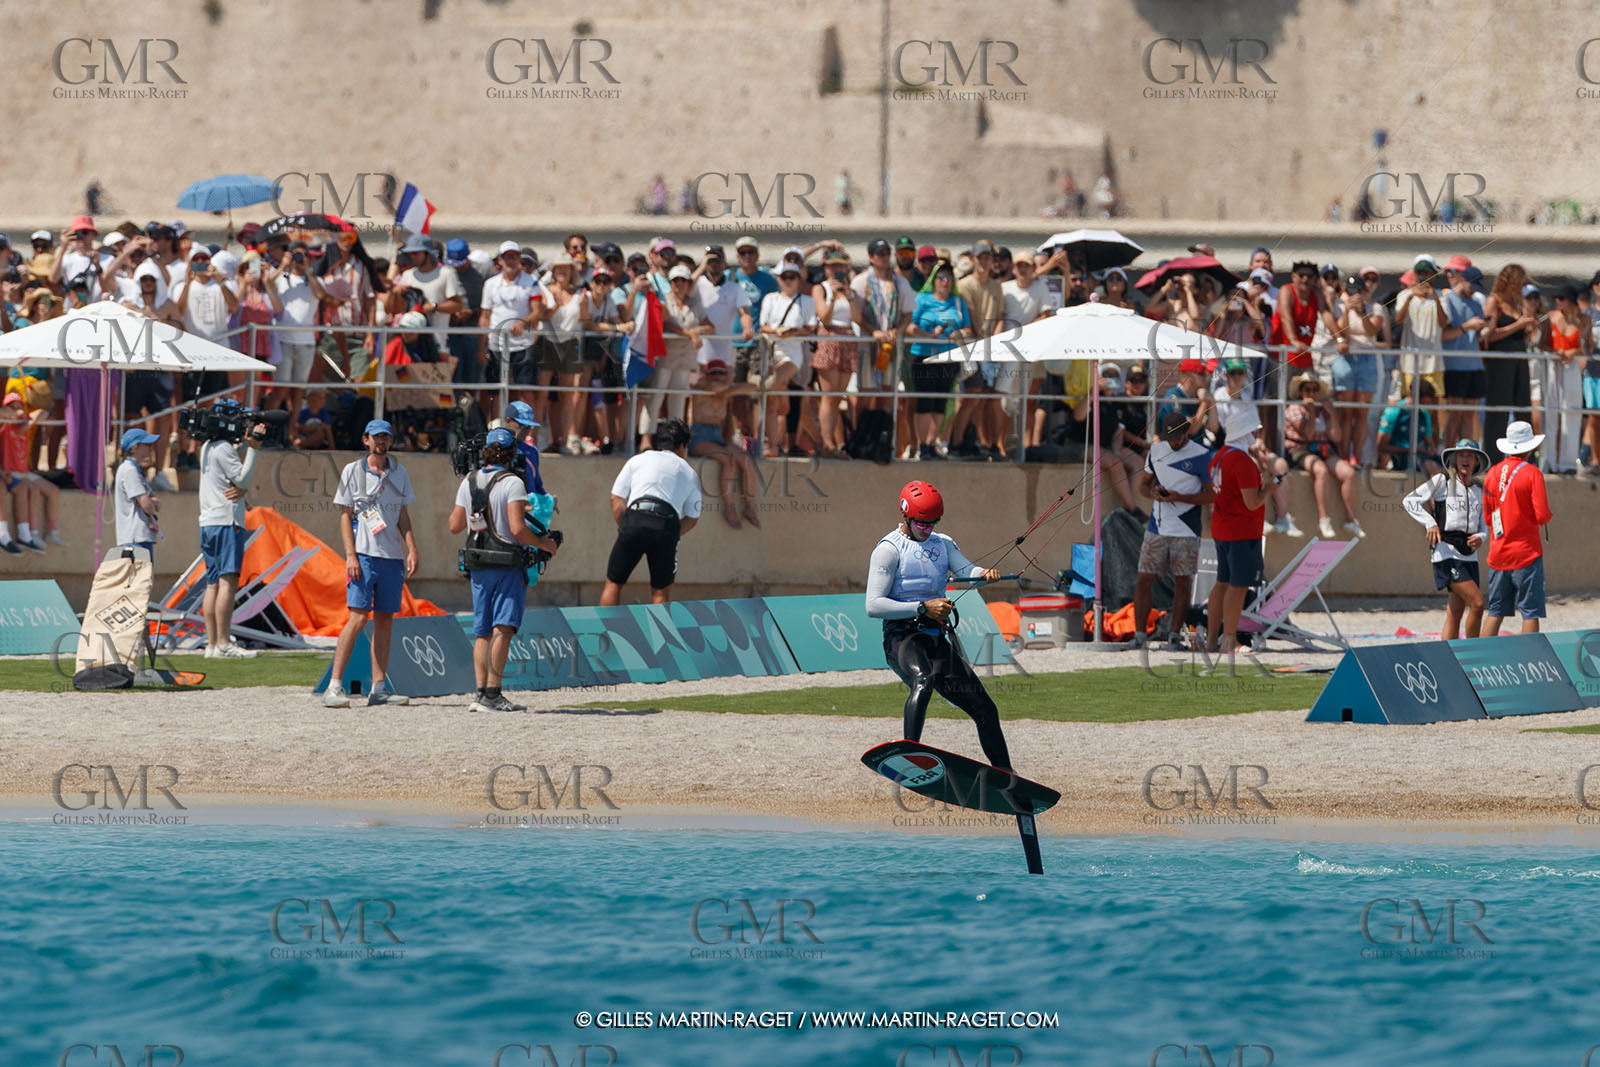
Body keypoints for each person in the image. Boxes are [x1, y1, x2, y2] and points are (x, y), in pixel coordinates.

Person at [863, 480, 1012, 771]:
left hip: (934, 638)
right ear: (905, 515)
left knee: (985, 708)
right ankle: (909, 753)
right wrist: (922, 607)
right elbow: (873, 605)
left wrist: (984, 574)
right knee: (925, 679)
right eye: (921, 523)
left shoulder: (942, 543)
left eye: (933, 523)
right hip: (901, 637)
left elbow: (968, 571)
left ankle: (1007, 774)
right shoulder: (888, 550)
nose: (927, 528)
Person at [448, 427, 560, 713]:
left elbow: (454, 526)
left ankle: (479, 694)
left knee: (482, 631)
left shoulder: (469, 481)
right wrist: (544, 544)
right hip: (507, 563)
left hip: (477, 562)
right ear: (512, 453)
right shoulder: (513, 482)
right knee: (504, 627)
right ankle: (493, 693)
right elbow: (517, 529)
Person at [323, 419, 420, 708]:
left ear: (391, 440)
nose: (381, 441)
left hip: (392, 556)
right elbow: (344, 515)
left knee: (385, 621)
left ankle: (379, 687)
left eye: (386, 437)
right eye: (376, 437)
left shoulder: (400, 472)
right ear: (366, 439)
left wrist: (412, 548)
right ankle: (334, 685)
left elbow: (403, 515)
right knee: (357, 618)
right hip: (363, 555)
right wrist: (350, 555)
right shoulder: (352, 470)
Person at [600, 418, 702, 606]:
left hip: (635, 518)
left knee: (613, 584)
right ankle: (659, 627)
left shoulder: (638, 459)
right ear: (682, 446)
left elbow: (616, 498)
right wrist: (671, 534)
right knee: (660, 593)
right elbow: (693, 518)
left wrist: (626, 526)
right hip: (666, 524)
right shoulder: (690, 473)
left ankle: (605, 626)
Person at [1134, 412, 1214, 651]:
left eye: (1177, 437)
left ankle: (1173, 637)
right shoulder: (1156, 450)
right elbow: (1143, 486)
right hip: (1156, 527)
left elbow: (1211, 495)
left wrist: (1180, 497)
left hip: (1187, 529)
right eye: (1170, 438)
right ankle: (1139, 636)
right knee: (1143, 579)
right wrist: (1154, 494)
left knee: (1182, 583)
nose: (1174, 442)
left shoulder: (1201, 454)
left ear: (1186, 432)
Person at [1403, 439, 1488, 640]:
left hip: (1469, 555)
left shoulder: (1479, 489)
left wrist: (1481, 537)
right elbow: (1410, 500)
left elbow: (1484, 524)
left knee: (1455, 611)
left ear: (1477, 461)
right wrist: (1430, 523)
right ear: (1454, 459)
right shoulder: (1442, 480)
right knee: (1477, 604)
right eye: (1461, 455)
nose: (1465, 459)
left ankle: (1449, 654)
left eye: (1470, 455)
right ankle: (1473, 651)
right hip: (1446, 552)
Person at [198, 406, 267, 659]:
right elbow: (242, 479)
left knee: (212, 583)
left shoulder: (207, 447)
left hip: (208, 521)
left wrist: (241, 492)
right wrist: (254, 448)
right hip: (226, 522)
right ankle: (224, 643)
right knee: (228, 581)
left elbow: (228, 481)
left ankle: (212, 644)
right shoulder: (225, 448)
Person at [1205, 425, 1271, 657]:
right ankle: (1229, 641)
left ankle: (1212, 640)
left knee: (1222, 582)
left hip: (1223, 527)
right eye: (1254, 432)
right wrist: (1270, 488)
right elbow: (1252, 503)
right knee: (1238, 585)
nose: (1256, 436)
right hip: (1242, 530)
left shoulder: (1219, 456)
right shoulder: (1241, 461)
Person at [1482, 420, 1552, 635]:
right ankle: (1529, 654)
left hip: (1498, 554)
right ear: (1529, 447)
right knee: (1530, 612)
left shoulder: (1492, 473)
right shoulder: (1533, 473)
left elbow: (1488, 517)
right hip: (1526, 554)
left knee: (1495, 612)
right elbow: (1542, 515)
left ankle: (1480, 654)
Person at [904, 259, 971, 460]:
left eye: (949, 277)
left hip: (949, 357)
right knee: (925, 401)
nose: (945, 281)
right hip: (924, 355)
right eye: (941, 277)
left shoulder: (958, 302)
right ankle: (922, 446)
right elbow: (910, 326)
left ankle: (931, 444)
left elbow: (968, 329)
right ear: (934, 280)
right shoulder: (922, 299)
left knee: (941, 401)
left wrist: (959, 334)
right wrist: (927, 334)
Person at [1284, 372, 1363, 538]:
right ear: (1301, 392)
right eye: (1307, 389)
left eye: (1315, 389)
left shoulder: (1324, 411)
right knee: (1321, 470)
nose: (1311, 393)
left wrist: (1332, 414)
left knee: (1349, 473)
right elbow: (1307, 435)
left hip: (1322, 448)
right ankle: (1324, 518)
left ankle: (1351, 520)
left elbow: (1337, 437)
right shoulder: (1294, 409)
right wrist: (1312, 412)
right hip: (1300, 448)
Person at [756, 262, 819, 457]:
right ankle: (773, 445)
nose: (788, 281)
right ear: (778, 279)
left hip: (792, 354)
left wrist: (793, 332)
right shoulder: (770, 298)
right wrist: (778, 332)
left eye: (793, 277)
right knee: (772, 401)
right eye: (785, 277)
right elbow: (763, 326)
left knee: (770, 385)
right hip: (771, 352)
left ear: (799, 279)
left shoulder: (807, 301)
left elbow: (810, 327)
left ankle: (783, 399)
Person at [688, 359, 760, 528]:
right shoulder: (702, 387)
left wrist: (729, 390)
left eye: (721, 373)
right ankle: (729, 509)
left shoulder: (726, 392)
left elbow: (753, 387)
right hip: (699, 436)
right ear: (706, 375)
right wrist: (730, 389)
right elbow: (715, 388)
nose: (717, 376)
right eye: (713, 373)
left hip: (717, 435)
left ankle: (749, 507)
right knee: (728, 461)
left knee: (747, 460)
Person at [1480, 264, 1537, 462]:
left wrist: (1529, 327)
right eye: (1519, 281)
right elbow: (1489, 335)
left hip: (1519, 358)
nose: (1521, 285)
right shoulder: (1493, 301)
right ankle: (1493, 458)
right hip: (1500, 360)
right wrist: (1517, 325)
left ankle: (1527, 457)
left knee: (1523, 408)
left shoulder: (1518, 302)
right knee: (1498, 411)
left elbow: (1524, 334)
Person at [811, 249, 865, 457]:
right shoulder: (821, 288)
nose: (836, 270)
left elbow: (857, 318)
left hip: (848, 339)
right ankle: (827, 442)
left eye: (840, 266)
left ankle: (832, 442)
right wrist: (833, 297)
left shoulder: (851, 291)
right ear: (826, 268)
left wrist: (849, 296)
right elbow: (824, 317)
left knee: (837, 397)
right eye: (832, 266)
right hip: (829, 338)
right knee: (828, 396)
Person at [0, 393, 65, 552]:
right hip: (11, 471)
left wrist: (27, 421)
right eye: (12, 406)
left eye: (19, 406)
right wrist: (16, 414)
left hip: (24, 471)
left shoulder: (24, 423)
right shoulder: (5, 425)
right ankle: (30, 533)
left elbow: (44, 412)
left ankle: (51, 531)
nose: (17, 410)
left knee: (53, 491)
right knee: (31, 490)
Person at [1541, 285, 1589, 474]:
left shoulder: (1583, 320)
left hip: (1572, 366)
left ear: (1571, 300)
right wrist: (1555, 352)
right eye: (1556, 298)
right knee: (1551, 413)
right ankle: (1550, 461)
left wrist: (1572, 352)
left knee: (1572, 413)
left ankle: (1568, 463)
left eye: (1561, 298)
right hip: (1553, 365)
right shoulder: (1551, 317)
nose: (1558, 302)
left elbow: (1587, 346)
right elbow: (1542, 343)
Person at [1375, 379, 1442, 476]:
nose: (1424, 407)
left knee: (1449, 464)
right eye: (1422, 403)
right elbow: (1381, 446)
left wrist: (1431, 449)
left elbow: (1430, 443)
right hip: (1401, 456)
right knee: (1433, 468)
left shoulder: (1424, 414)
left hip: (1421, 454)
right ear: (1413, 395)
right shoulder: (1394, 411)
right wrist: (1410, 448)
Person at [114, 428, 161, 555]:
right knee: (140, 569)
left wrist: (153, 502)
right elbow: (147, 505)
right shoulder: (130, 470)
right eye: (147, 444)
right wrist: (153, 503)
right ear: (134, 447)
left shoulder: (135, 470)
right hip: (135, 538)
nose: (150, 448)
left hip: (138, 537)